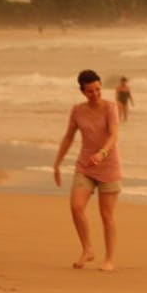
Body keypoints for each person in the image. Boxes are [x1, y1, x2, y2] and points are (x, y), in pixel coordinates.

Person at [53, 69, 122, 270]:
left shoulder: (110, 107)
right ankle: (87, 249)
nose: (95, 94)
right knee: (76, 207)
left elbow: (114, 135)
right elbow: (68, 137)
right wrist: (57, 163)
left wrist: (102, 153)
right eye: (90, 91)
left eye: (98, 89)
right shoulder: (77, 111)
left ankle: (109, 259)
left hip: (109, 166)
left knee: (106, 214)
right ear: (82, 91)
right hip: (85, 166)